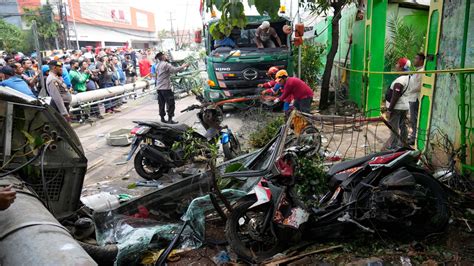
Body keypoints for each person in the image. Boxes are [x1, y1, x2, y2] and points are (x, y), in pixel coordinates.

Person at [385, 58, 412, 149]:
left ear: (401, 67)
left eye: (397, 64)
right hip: (405, 106)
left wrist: (389, 110)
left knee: (394, 128)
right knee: (403, 126)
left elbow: (395, 97)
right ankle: (403, 144)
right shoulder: (409, 77)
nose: (396, 65)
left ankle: (393, 146)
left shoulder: (400, 80)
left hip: (396, 107)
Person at [155, 52, 189, 124]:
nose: (166, 56)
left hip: (159, 88)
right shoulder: (166, 64)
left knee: (161, 103)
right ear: (163, 57)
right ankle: (170, 119)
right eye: (165, 55)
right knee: (170, 103)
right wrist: (183, 66)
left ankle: (162, 118)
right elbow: (174, 70)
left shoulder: (157, 65)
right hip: (166, 88)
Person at [407, 53, 425, 145]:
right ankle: (413, 135)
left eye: (416, 58)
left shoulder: (422, 71)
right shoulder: (418, 71)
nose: (414, 60)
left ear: (421, 60)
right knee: (412, 119)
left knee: (414, 119)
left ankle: (414, 138)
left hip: (415, 98)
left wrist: (409, 89)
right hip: (412, 97)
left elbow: (418, 86)